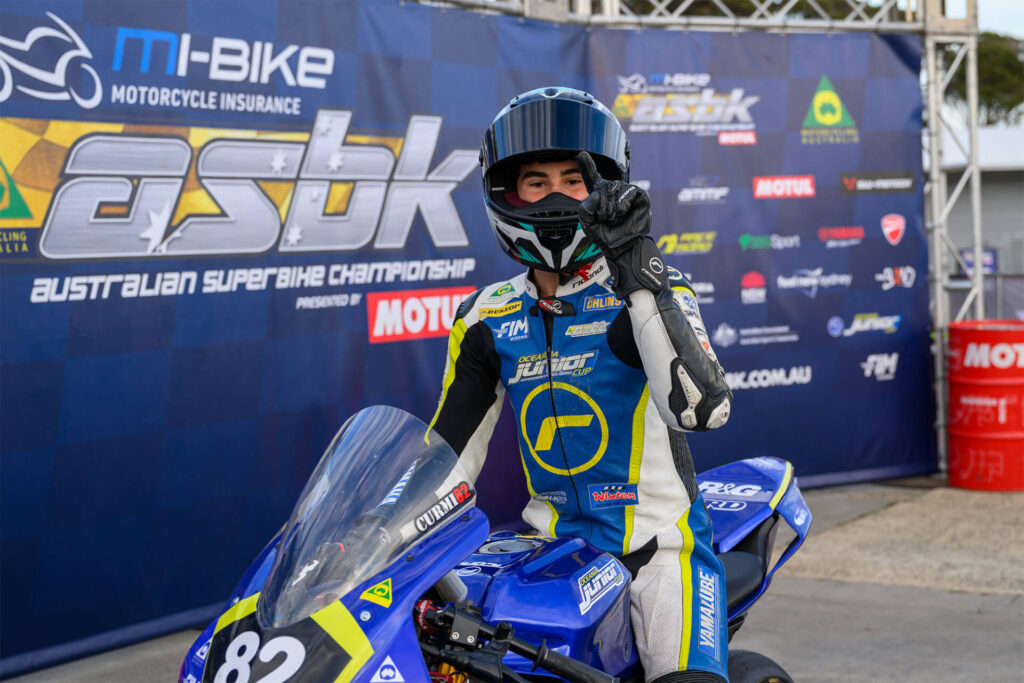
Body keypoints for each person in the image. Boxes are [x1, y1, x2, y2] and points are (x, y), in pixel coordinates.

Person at [427, 87, 733, 683]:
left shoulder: (653, 287)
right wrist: (377, 535)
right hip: (553, 558)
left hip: (661, 552)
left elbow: (702, 412)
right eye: (536, 182)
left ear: (604, 186)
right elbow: (447, 459)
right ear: (506, 192)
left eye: (574, 179)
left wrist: (638, 270)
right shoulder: (484, 316)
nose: (556, 195)